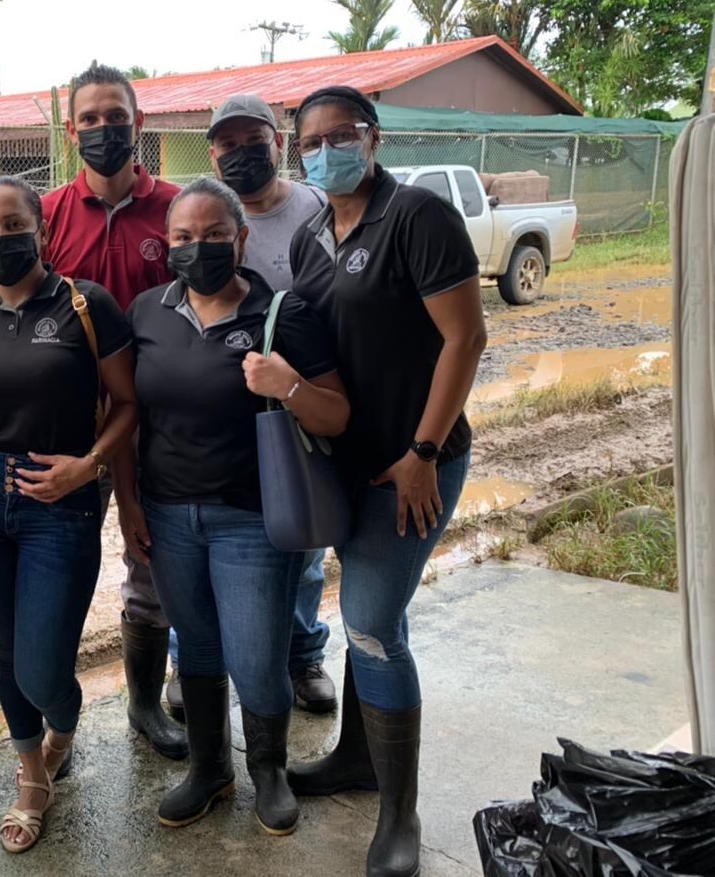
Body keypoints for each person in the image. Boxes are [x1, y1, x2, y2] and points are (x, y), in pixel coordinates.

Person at [284, 86, 487, 877]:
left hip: (414, 464)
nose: (326, 149)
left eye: (343, 134)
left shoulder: (417, 218)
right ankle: (353, 758)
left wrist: (424, 451)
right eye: (312, 139)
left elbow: (465, 339)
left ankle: (398, 814)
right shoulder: (309, 237)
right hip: (346, 462)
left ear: (373, 138)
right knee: (356, 606)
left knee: (371, 621)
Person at [116, 178, 350, 836]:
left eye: (215, 235)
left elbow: (335, 416)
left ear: (241, 239)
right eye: (184, 238)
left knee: (255, 655)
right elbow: (131, 414)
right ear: (167, 246)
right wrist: (128, 502)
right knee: (197, 650)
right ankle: (211, 768)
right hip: (167, 515)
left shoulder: (284, 315)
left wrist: (291, 385)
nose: (199, 249)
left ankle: (269, 770)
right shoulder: (147, 312)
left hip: (249, 519)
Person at [0, 176, 138, 852]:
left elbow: (130, 404)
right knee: (8, 649)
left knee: (43, 667)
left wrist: (91, 464)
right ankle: (31, 772)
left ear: (41, 230)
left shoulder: (85, 305)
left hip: (63, 496)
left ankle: (63, 726)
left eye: (11, 223)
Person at [42, 63, 187, 759]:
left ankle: (145, 706)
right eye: (90, 119)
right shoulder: (42, 218)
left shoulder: (179, 210)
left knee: (149, 564)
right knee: (59, 575)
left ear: (139, 123)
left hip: (160, 422)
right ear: (71, 132)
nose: (105, 129)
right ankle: (51, 724)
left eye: (116, 116)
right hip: (68, 431)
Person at [207, 93, 336, 715]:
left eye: (252, 139)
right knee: (208, 541)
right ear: (212, 152)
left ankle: (303, 654)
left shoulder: (316, 208)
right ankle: (192, 660)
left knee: (302, 541)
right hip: (223, 409)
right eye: (227, 143)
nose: (241, 152)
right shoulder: (210, 215)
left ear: (278, 141)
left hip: (297, 400)